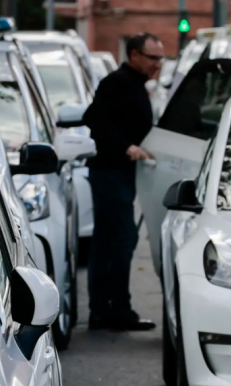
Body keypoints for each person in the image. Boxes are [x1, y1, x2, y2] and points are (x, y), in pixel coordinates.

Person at [82, 32, 163, 331]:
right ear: (134, 55)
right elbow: (95, 118)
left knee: (107, 241)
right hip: (110, 172)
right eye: (153, 57)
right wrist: (126, 147)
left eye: (161, 58)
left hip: (119, 174)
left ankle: (103, 310)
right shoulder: (117, 82)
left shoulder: (137, 85)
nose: (158, 64)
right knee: (122, 239)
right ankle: (117, 309)